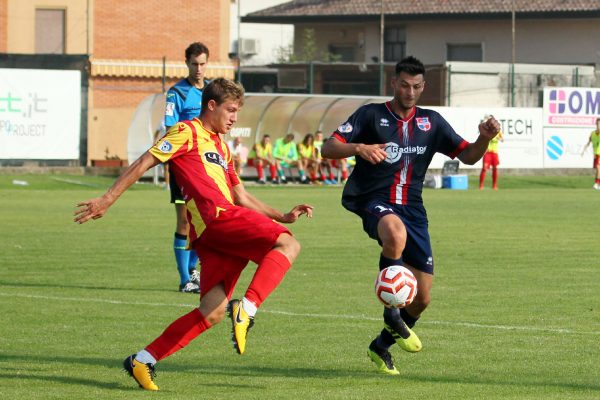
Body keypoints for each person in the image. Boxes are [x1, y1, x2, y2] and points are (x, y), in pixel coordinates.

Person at [74, 78, 313, 391]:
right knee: (288, 245)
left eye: (237, 112)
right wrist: (108, 198)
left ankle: (143, 359)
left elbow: (241, 196)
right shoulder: (186, 131)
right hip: (217, 219)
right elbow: (147, 160)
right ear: (211, 106)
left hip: (217, 232)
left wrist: (281, 215)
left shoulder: (222, 148)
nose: (234, 118)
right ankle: (248, 308)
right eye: (229, 110)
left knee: (212, 312)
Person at [321, 56, 501, 376]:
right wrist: (359, 148)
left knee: (422, 299)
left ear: (423, 87)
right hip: (373, 199)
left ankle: (380, 346)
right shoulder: (371, 115)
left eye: (416, 86)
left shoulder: (431, 123)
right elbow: (328, 147)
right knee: (394, 233)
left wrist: (485, 138)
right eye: (404, 84)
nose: (410, 91)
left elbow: (470, 156)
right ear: (394, 83)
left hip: (414, 210)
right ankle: (391, 311)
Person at [164, 42, 211, 293]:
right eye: (194, 64)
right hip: (183, 165)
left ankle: (194, 270)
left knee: (206, 219)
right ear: (187, 64)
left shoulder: (212, 90)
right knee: (184, 221)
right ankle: (185, 279)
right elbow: (171, 128)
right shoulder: (177, 93)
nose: (199, 69)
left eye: (203, 64)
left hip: (207, 166)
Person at [478, 115, 504, 190]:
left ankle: (494, 186)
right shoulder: (486, 131)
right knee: (484, 169)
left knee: (495, 168)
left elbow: (502, 140)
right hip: (487, 152)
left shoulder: (497, 131)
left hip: (494, 153)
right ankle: (481, 186)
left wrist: (499, 138)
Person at [581, 117, 600, 190]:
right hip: (596, 155)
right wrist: (583, 150)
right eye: (598, 124)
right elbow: (589, 142)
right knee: (597, 169)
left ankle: (596, 183)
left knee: (598, 168)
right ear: (596, 124)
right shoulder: (592, 134)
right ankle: (598, 184)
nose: (599, 126)